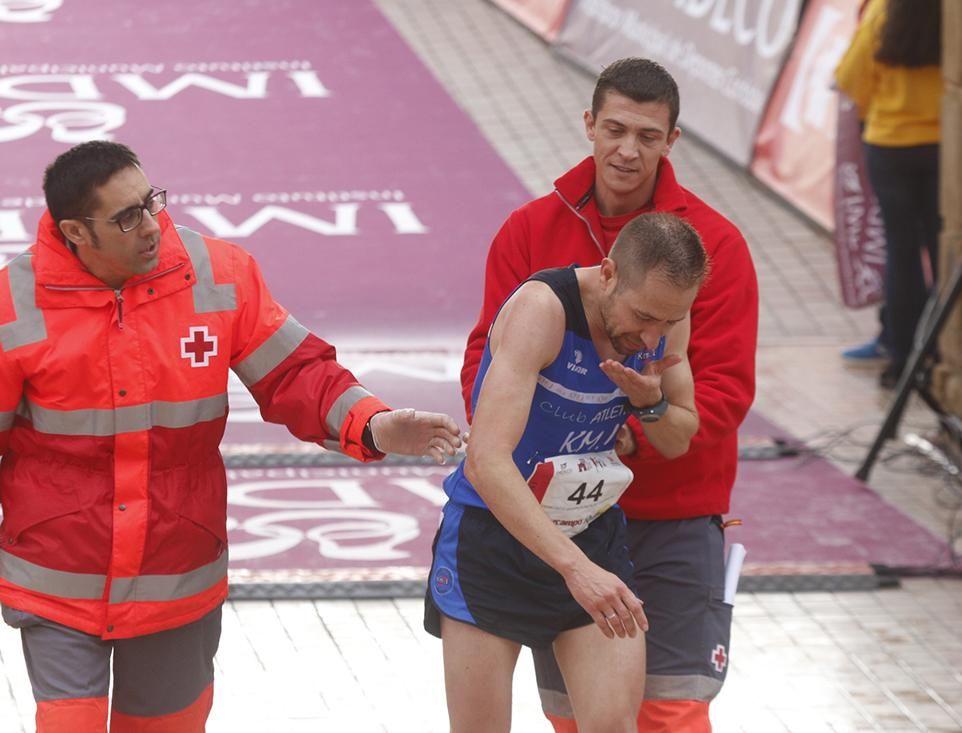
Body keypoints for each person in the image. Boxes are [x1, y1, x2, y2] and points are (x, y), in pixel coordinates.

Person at [0, 140, 463, 732]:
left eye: (152, 202)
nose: (153, 225)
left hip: (177, 577)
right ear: (75, 232)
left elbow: (297, 374)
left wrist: (371, 423)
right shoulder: (15, 303)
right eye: (127, 217)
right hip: (58, 584)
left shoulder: (219, 274)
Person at [461, 58, 758, 732]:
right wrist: (557, 442)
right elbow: (483, 361)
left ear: (672, 141)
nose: (629, 150)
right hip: (565, 521)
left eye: (648, 136)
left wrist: (636, 428)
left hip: (674, 514)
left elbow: (724, 389)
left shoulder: (715, 245)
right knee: (573, 718)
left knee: (672, 713)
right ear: (589, 124)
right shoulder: (530, 232)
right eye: (616, 129)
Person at [427, 212, 708, 732]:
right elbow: (487, 460)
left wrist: (650, 407)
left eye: (667, 323)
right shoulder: (542, 310)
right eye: (642, 315)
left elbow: (678, 439)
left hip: (588, 530)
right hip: (495, 535)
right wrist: (574, 570)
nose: (653, 335)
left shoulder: (667, 317)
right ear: (607, 274)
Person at [835, 0, 943, 389]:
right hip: (942, 143)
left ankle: (901, 358)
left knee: (902, 254)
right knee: (945, 252)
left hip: (890, 143)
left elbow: (851, 76)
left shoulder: (884, 10)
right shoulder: (956, 12)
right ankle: (944, 352)